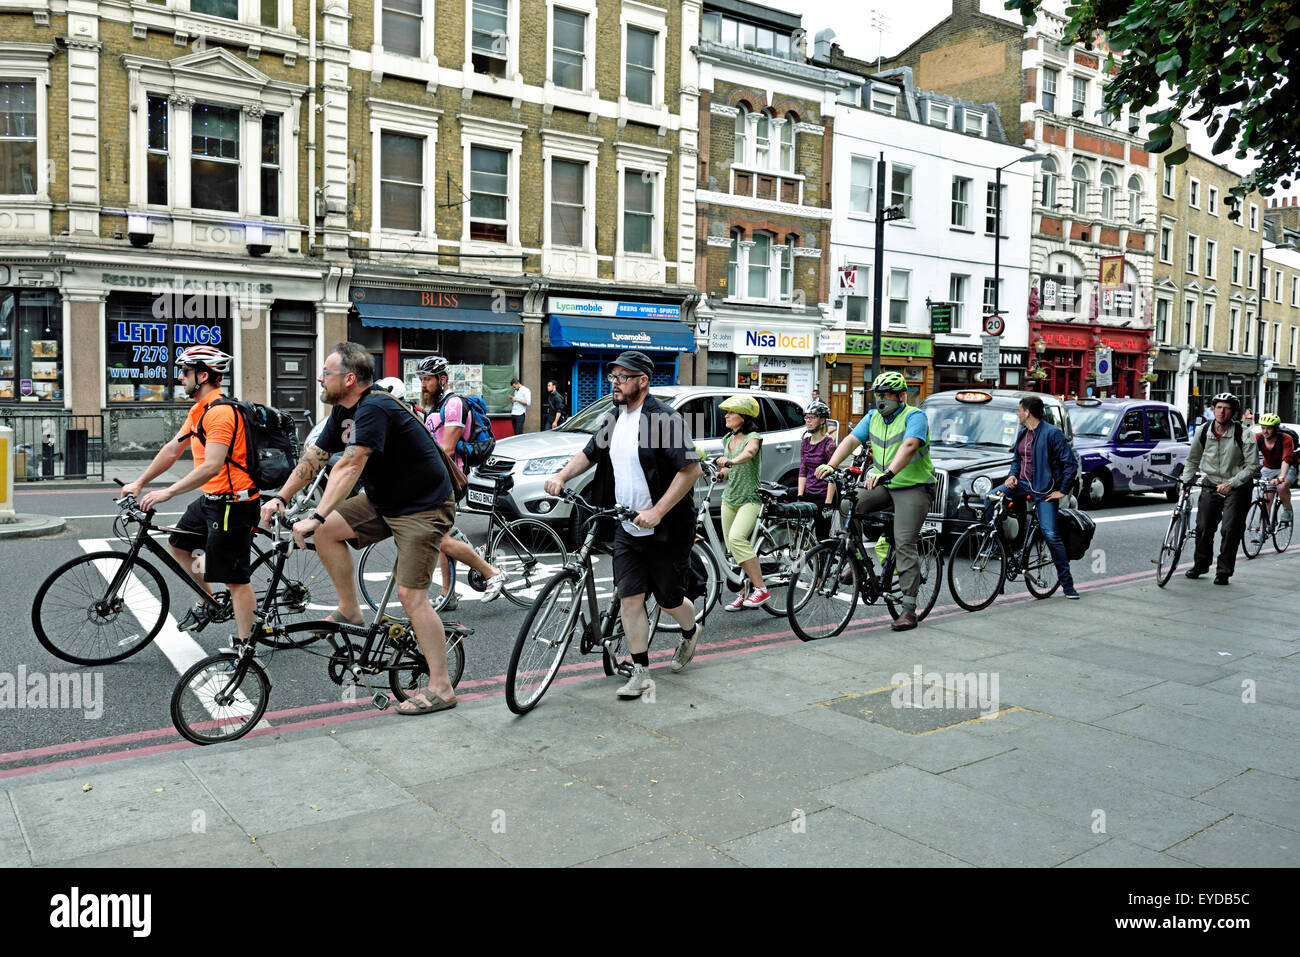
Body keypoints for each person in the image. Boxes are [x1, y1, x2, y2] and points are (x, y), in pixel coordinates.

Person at [260, 343, 458, 715]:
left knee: (411, 596)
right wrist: (282, 498)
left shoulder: (375, 407)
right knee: (327, 533)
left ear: (349, 379)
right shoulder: (342, 411)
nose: (319, 378)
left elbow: (349, 466)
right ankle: (350, 609)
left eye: (326, 372)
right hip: (385, 500)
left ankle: (441, 686)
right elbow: (315, 458)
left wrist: (315, 514)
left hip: (423, 506)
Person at [543, 351, 701, 697]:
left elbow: (690, 470)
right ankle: (641, 671)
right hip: (626, 523)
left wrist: (658, 511)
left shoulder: (663, 420)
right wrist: (561, 476)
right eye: (613, 377)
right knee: (631, 598)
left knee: (668, 601)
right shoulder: (615, 417)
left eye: (622, 377)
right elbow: (589, 453)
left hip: (666, 527)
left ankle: (691, 631)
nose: (614, 383)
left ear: (642, 381)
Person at [121, 346, 258, 644]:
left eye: (185, 372)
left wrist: (168, 492)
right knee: (181, 544)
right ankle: (209, 602)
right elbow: (173, 449)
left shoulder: (220, 413)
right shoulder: (200, 411)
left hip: (233, 504)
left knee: (235, 581)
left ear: (204, 375)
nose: (180, 378)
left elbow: (211, 466)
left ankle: (246, 650)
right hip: (212, 499)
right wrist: (140, 482)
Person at [816, 371, 937, 630]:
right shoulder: (872, 417)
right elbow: (850, 440)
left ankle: (908, 609)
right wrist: (830, 464)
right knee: (849, 503)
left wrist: (888, 472)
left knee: (904, 542)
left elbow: (910, 446)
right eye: (878, 395)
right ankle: (858, 563)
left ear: (901, 396)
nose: (881, 400)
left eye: (887, 395)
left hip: (913, 486)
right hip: (886, 484)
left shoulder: (915, 416)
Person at [416, 355, 506, 607]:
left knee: (441, 538)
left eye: (427, 379)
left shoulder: (453, 404)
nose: (423, 385)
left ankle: (491, 573)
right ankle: (449, 595)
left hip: (450, 479)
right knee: (444, 539)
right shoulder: (435, 405)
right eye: (421, 379)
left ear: (442, 380)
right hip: (436, 478)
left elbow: (447, 448)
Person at [984, 395, 1081, 599]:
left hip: (1044, 490)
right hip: (1022, 484)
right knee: (991, 497)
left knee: (1050, 534)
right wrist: (1012, 475)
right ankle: (997, 543)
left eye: (1019, 410)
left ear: (1027, 412)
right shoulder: (1023, 434)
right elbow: (1016, 460)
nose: (1017, 414)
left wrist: (1062, 491)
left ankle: (1067, 584)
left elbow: (1070, 464)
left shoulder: (1052, 434)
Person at [1183, 393, 1262, 584]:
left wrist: (1231, 483)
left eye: (1226, 408)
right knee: (1203, 526)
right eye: (1218, 407)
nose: (1221, 411)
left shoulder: (1244, 433)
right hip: (1210, 482)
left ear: (1233, 412)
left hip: (1237, 486)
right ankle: (1201, 564)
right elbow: (1193, 459)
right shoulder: (1203, 430)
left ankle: (1224, 571)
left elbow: (1252, 466)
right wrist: (1185, 482)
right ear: (1213, 409)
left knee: (1230, 529)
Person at [714, 394, 770, 611]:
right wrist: (722, 473)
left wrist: (731, 461)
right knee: (731, 549)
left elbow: (749, 453)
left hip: (750, 498)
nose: (726, 416)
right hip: (730, 499)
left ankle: (761, 589)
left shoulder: (753, 437)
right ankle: (743, 592)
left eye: (731, 412)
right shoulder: (728, 439)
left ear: (743, 416)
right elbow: (728, 470)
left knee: (737, 539)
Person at [798, 400, 837, 543]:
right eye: (806, 417)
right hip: (808, 491)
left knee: (822, 535)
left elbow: (833, 476)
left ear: (822, 420)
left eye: (812, 417)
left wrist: (827, 504)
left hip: (823, 495)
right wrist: (800, 495)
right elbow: (803, 470)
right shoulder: (805, 442)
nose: (808, 421)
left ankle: (824, 558)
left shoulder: (829, 445)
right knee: (782, 496)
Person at [1254, 413, 1294, 530]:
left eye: (1269, 428)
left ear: (1276, 428)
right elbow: (1247, 452)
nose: (1265, 431)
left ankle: (1287, 511)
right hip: (1268, 468)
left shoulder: (1286, 439)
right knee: (1267, 500)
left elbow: (1286, 459)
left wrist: (1281, 477)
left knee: (1281, 487)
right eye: (1263, 428)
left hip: (1287, 467)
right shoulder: (1258, 437)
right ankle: (1262, 531)